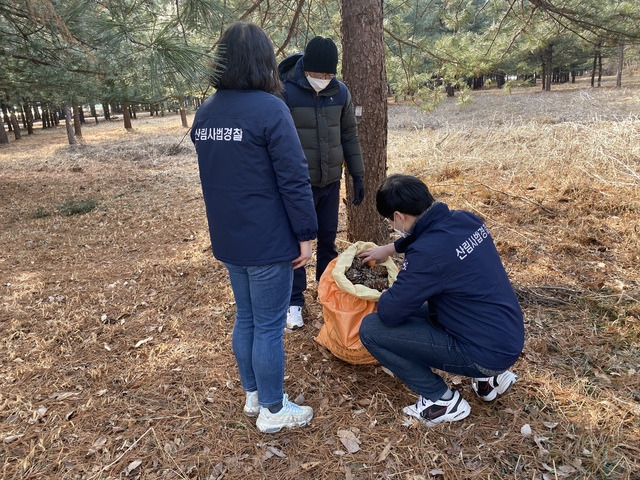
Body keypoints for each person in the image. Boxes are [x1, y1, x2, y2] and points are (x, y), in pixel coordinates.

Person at [190, 22, 318, 434]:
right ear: (265, 62)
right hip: (266, 240)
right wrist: (307, 234)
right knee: (267, 325)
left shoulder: (207, 111)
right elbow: (295, 178)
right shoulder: (269, 108)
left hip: (230, 237)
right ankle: (274, 410)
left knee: (246, 316)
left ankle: (253, 396)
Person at [357, 174, 524, 426]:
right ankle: (489, 380)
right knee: (424, 307)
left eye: (390, 219)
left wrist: (387, 291)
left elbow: (391, 312)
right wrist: (392, 248)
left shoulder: (427, 255)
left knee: (371, 328)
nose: (393, 224)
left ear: (399, 216)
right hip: (505, 334)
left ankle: (441, 400)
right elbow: (433, 237)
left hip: (483, 353)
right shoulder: (465, 220)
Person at [278, 36, 365, 330]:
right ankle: (294, 302)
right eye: (318, 74)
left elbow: (349, 135)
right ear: (306, 70)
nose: (323, 80)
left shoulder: (340, 92)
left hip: (331, 180)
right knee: (297, 244)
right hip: (297, 186)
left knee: (328, 240)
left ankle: (326, 293)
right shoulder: (285, 92)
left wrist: (357, 174)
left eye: (328, 75)